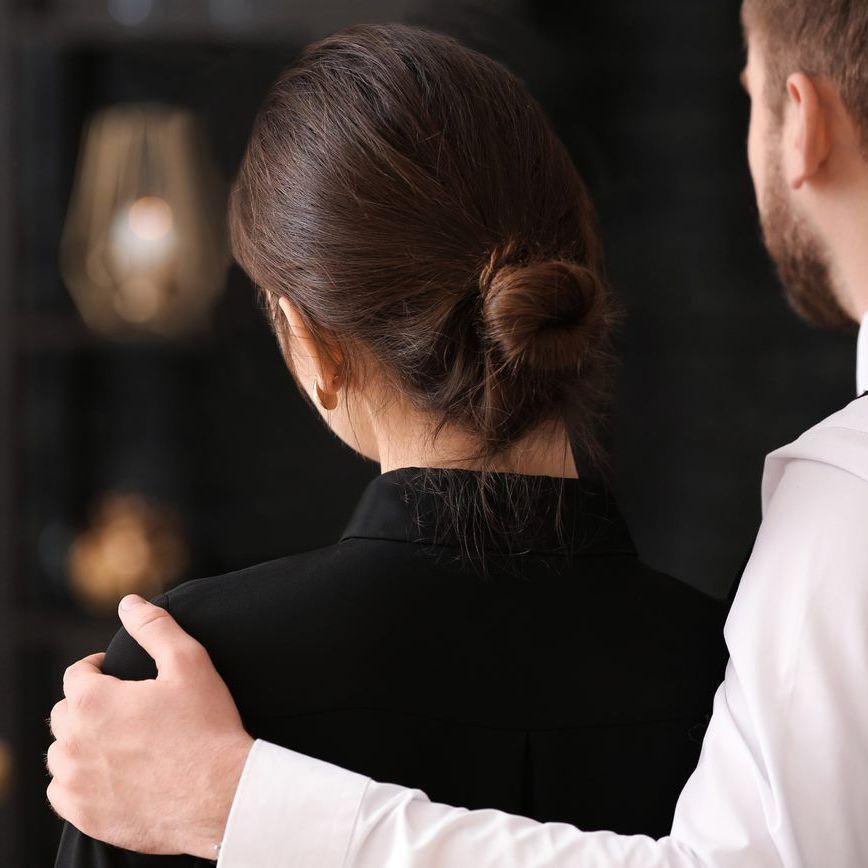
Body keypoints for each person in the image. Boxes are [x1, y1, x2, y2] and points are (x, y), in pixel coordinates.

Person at [44, 0, 868, 864]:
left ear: (311, 347)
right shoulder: (733, 674)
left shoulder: (177, 693)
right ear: (570, 280)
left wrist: (235, 800)